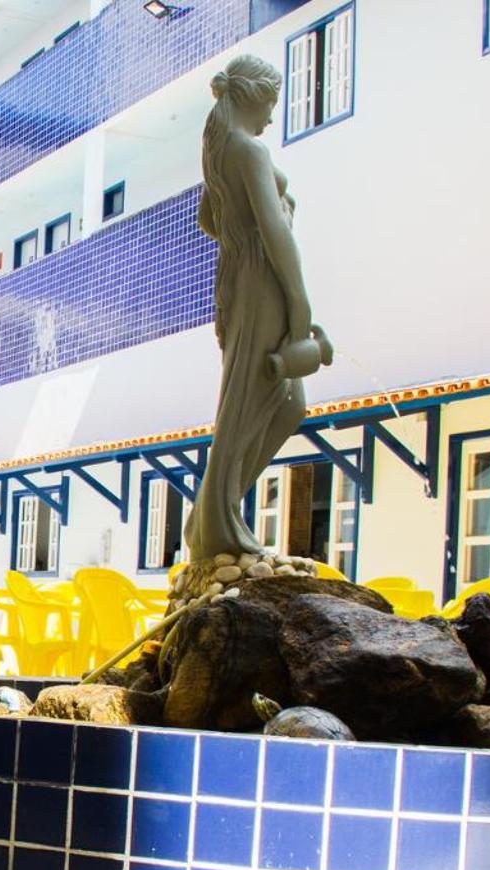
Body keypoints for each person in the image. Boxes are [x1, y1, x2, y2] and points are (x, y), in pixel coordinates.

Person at [182, 53, 319, 563]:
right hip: (262, 279)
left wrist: (238, 234)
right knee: (245, 402)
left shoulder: (220, 151)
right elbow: (274, 229)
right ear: (254, 97)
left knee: (288, 403)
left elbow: (208, 220)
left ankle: (211, 513)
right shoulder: (248, 149)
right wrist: (299, 303)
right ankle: (218, 526)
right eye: (272, 103)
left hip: (242, 276)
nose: (271, 117)